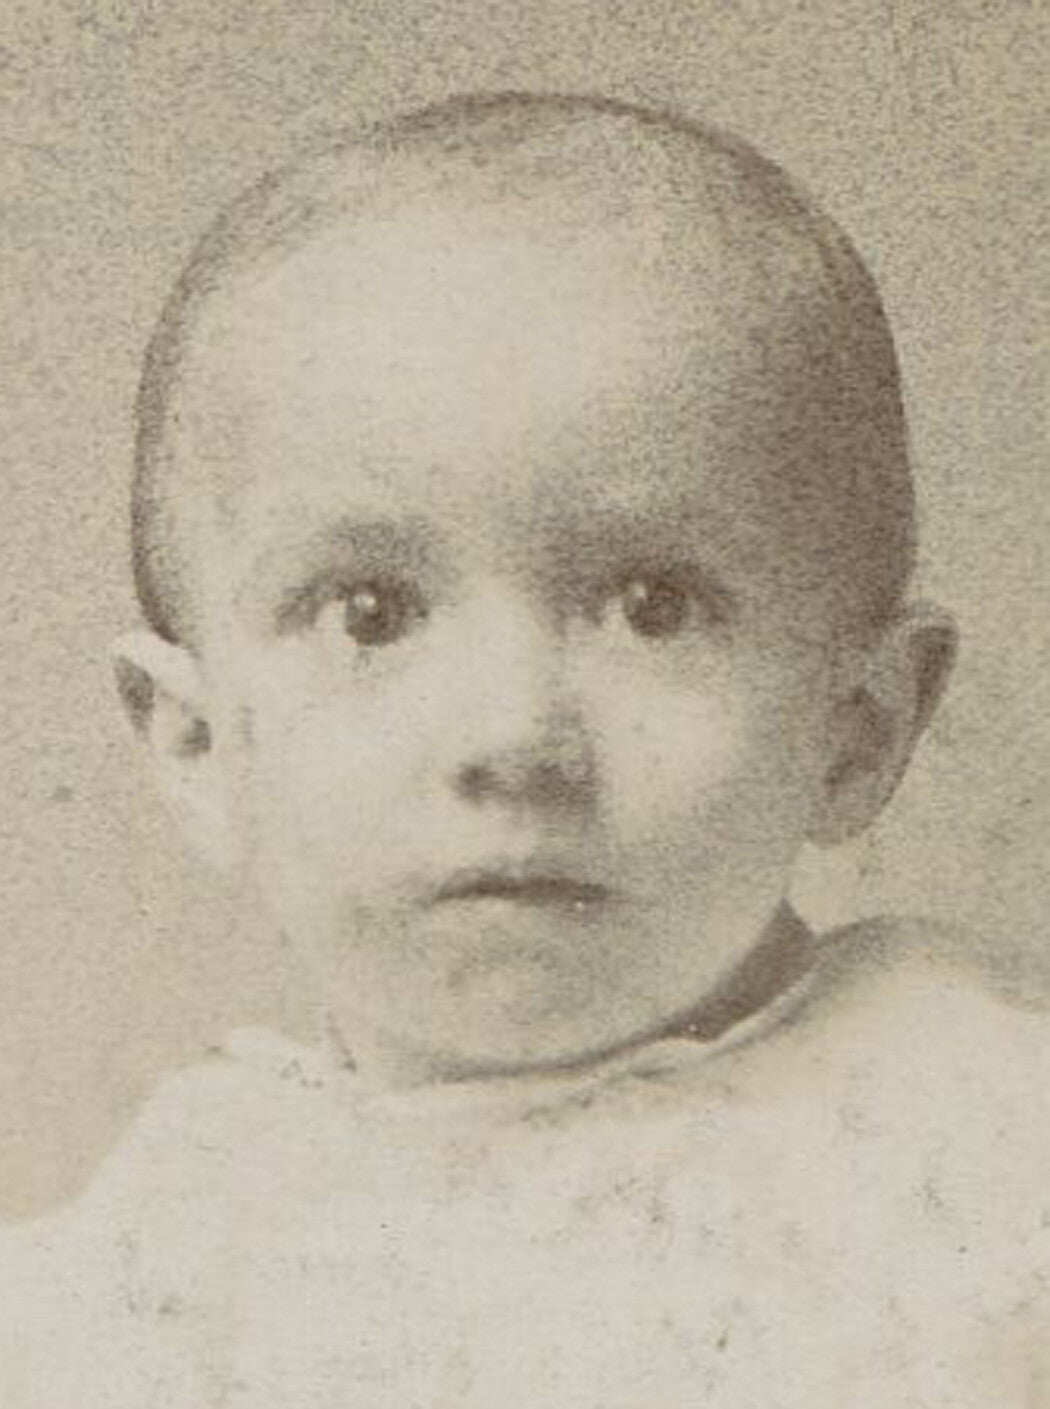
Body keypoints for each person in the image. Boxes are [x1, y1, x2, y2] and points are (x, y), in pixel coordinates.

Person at [4, 91, 1048, 1406]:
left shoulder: (987, 1145)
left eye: (653, 605)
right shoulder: (158, 1258)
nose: (513, 737)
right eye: (369, 613)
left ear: (857, 728)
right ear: (200, 745)